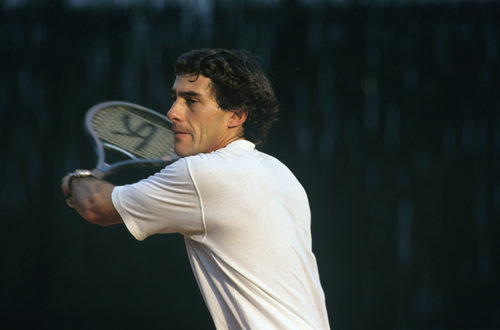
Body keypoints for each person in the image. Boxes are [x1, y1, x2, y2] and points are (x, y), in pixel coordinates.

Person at [61, 48, 330, 329]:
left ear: (236, 115)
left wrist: (75, 181)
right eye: (174, 98)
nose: (172, 113)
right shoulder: (280, 172)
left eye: (191, 100)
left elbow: (96, 207)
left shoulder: (202, 172)